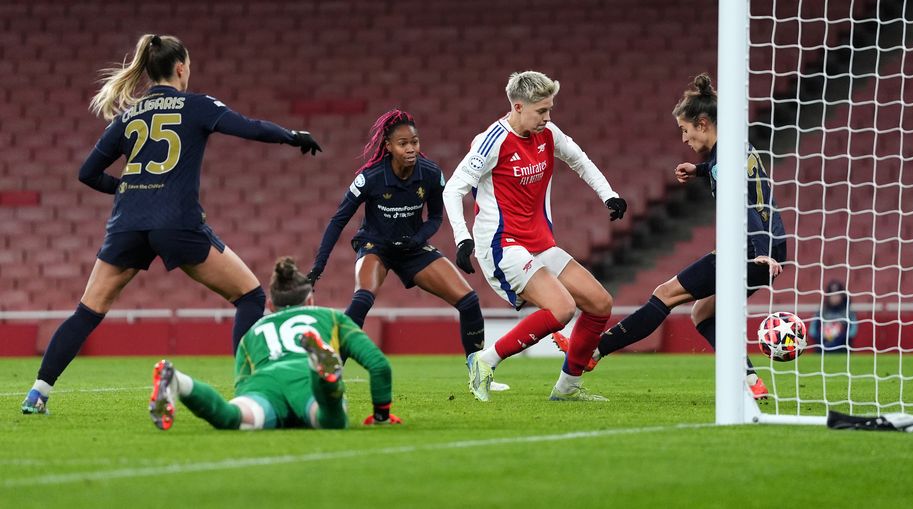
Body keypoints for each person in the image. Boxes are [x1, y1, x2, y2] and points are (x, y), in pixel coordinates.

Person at [21, 34, 322, 415]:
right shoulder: (196, 105)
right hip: (176, 222)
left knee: (87, 311)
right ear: (181, 68)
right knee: (249, 296)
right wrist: (293, 136)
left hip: (128, 224)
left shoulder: (129, 114)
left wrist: (129, 190)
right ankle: (251, 388)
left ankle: (37, 393)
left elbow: (87, 173)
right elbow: (249, 127)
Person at [553, 73, 787, 399]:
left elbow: (749, 203)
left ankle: (594, 351)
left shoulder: (724, 160)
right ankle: (750, 382)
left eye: (685, 130)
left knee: (665, 294)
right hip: (771, 246)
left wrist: (761, 250)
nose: (684, 139)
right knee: (703, 313)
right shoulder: (734, 148)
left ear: (702, 123)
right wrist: (699, 170)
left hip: (753, 247)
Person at [443, 70, 628, 402]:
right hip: (501, 244)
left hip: (538, 241)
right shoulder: (492, 141)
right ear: (517, 106)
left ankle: (567, 389)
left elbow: (580, 161)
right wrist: (461, 239)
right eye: (541, 110)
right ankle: (485, 362)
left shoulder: (549, 133)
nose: (548, 117)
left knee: (600, 303)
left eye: (549, 109)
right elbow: (453, 189)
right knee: (561, 309)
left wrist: (609, 195)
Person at [306, 110, 508, 391]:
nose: (411, 148)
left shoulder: (431, 173)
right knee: (363, 298)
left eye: (414, 141)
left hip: (412, 248)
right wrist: (319, 265)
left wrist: (417, 239)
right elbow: (338, 220)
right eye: (403, 143)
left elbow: (436, 217)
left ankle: (478, 376)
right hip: (375, 246)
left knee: (469, 301)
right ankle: (330, 371)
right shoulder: (370, 177)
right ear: (388, 146)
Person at [149, 257, 400, 430]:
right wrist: (381, 417)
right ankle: (322, 374)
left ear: (270, 306)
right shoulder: (332, 318)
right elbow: (379, 366)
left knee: (233, 418)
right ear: (310, 302)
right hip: (305, 380)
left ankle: (178, 381)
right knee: (331, 420)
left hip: (265, 383)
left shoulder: (252, 332)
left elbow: (242, 386)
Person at [808, 279, 857, 351]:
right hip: (823, 348)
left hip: (842, 349)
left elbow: (853, 332)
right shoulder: (821, 311)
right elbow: (812, 331)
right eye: (832, 295)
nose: (834, 297)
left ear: (842, 296)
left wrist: (840, 338)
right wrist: (823, 336)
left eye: (837, 295)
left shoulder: (848, 312)